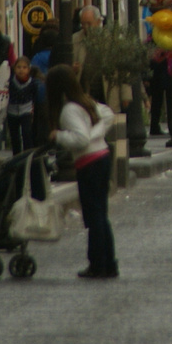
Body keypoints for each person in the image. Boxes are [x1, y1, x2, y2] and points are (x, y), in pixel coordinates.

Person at [46, 65, 117, 278]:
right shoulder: (85, 102)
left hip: (90, 163)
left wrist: (58, 136)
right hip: (102, 156)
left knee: (94, 216)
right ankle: (108, 262)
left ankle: (98, 264)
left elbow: (81, 138)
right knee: (101, 214)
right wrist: (96, 134)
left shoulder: (69, 110)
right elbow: (108, 114)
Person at [6, 56, 37, 155]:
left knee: (27, 134)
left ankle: (28, 156)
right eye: (19, 67)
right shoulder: (10, 82)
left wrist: (33, 109)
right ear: (14, 69)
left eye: (24, 67)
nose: (21, 70)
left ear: (29, 69)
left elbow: (35, 96)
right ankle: (16, 158)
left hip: (26, 110)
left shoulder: (32, 83)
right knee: (14, 137)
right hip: (12, 111)